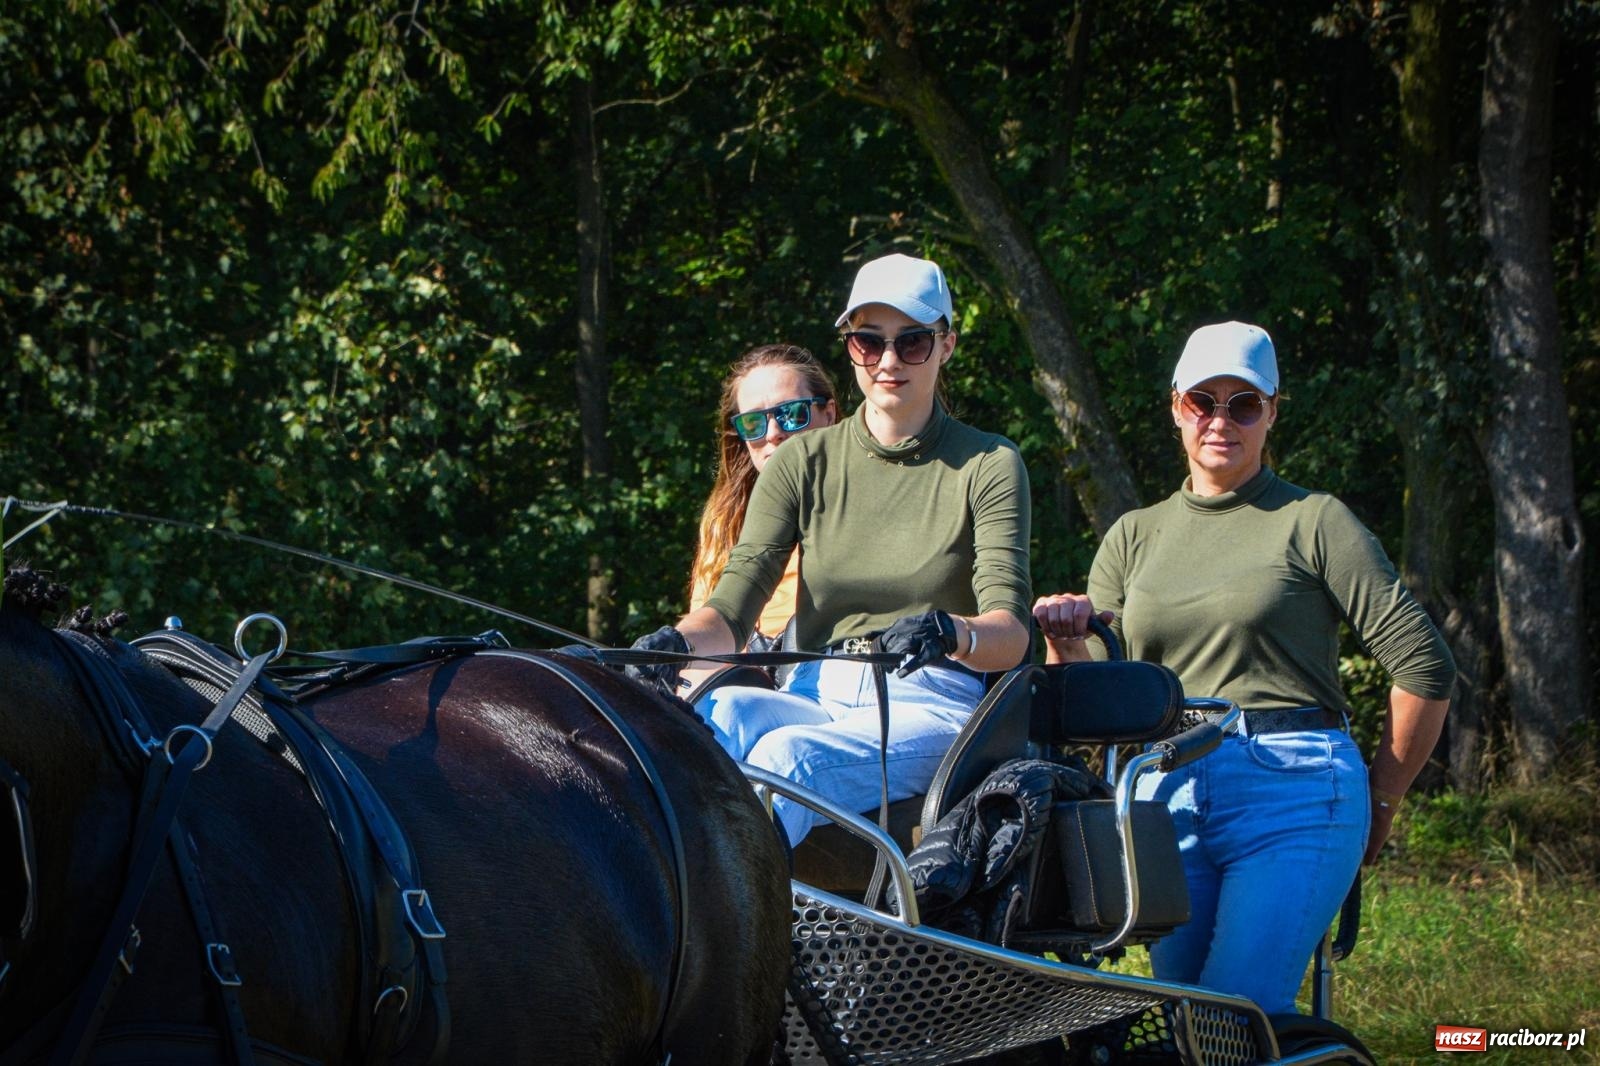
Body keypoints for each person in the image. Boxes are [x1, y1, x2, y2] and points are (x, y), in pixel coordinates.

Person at [1033, 320, 1454, 1016]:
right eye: (1204, 400)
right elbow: (1096, 690)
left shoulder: (1315, 521)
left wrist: (1383, 798)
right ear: (1176, 407)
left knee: (1232, 1015)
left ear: (1272, 413)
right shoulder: (1133, 536)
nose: (1220, 421)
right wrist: (1064, 637)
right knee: (1182, 1019)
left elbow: (1425, 667)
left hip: (1294, 784)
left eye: (1244, 404)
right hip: (1164, 793)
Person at [630, 253, 1033, 846]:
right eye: (869, 343)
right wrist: (674, 643)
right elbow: (733, 605)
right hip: (817, 688)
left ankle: (738, 932)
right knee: (714, 719)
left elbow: (1012, 632)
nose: (889, 361)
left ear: (946, 345)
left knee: (789, 757)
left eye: (913, 341)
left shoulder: (989, 464)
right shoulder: (800, 462)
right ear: (850, 348)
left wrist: (954, 632)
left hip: (932, 701)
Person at [679, 345, 839, 692]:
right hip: (742, 684)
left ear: (829, 414)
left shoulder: (861, 501)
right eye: (753, 422)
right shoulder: (726, 520)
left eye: (791, 414)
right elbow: (704, 647)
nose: (772, 433)